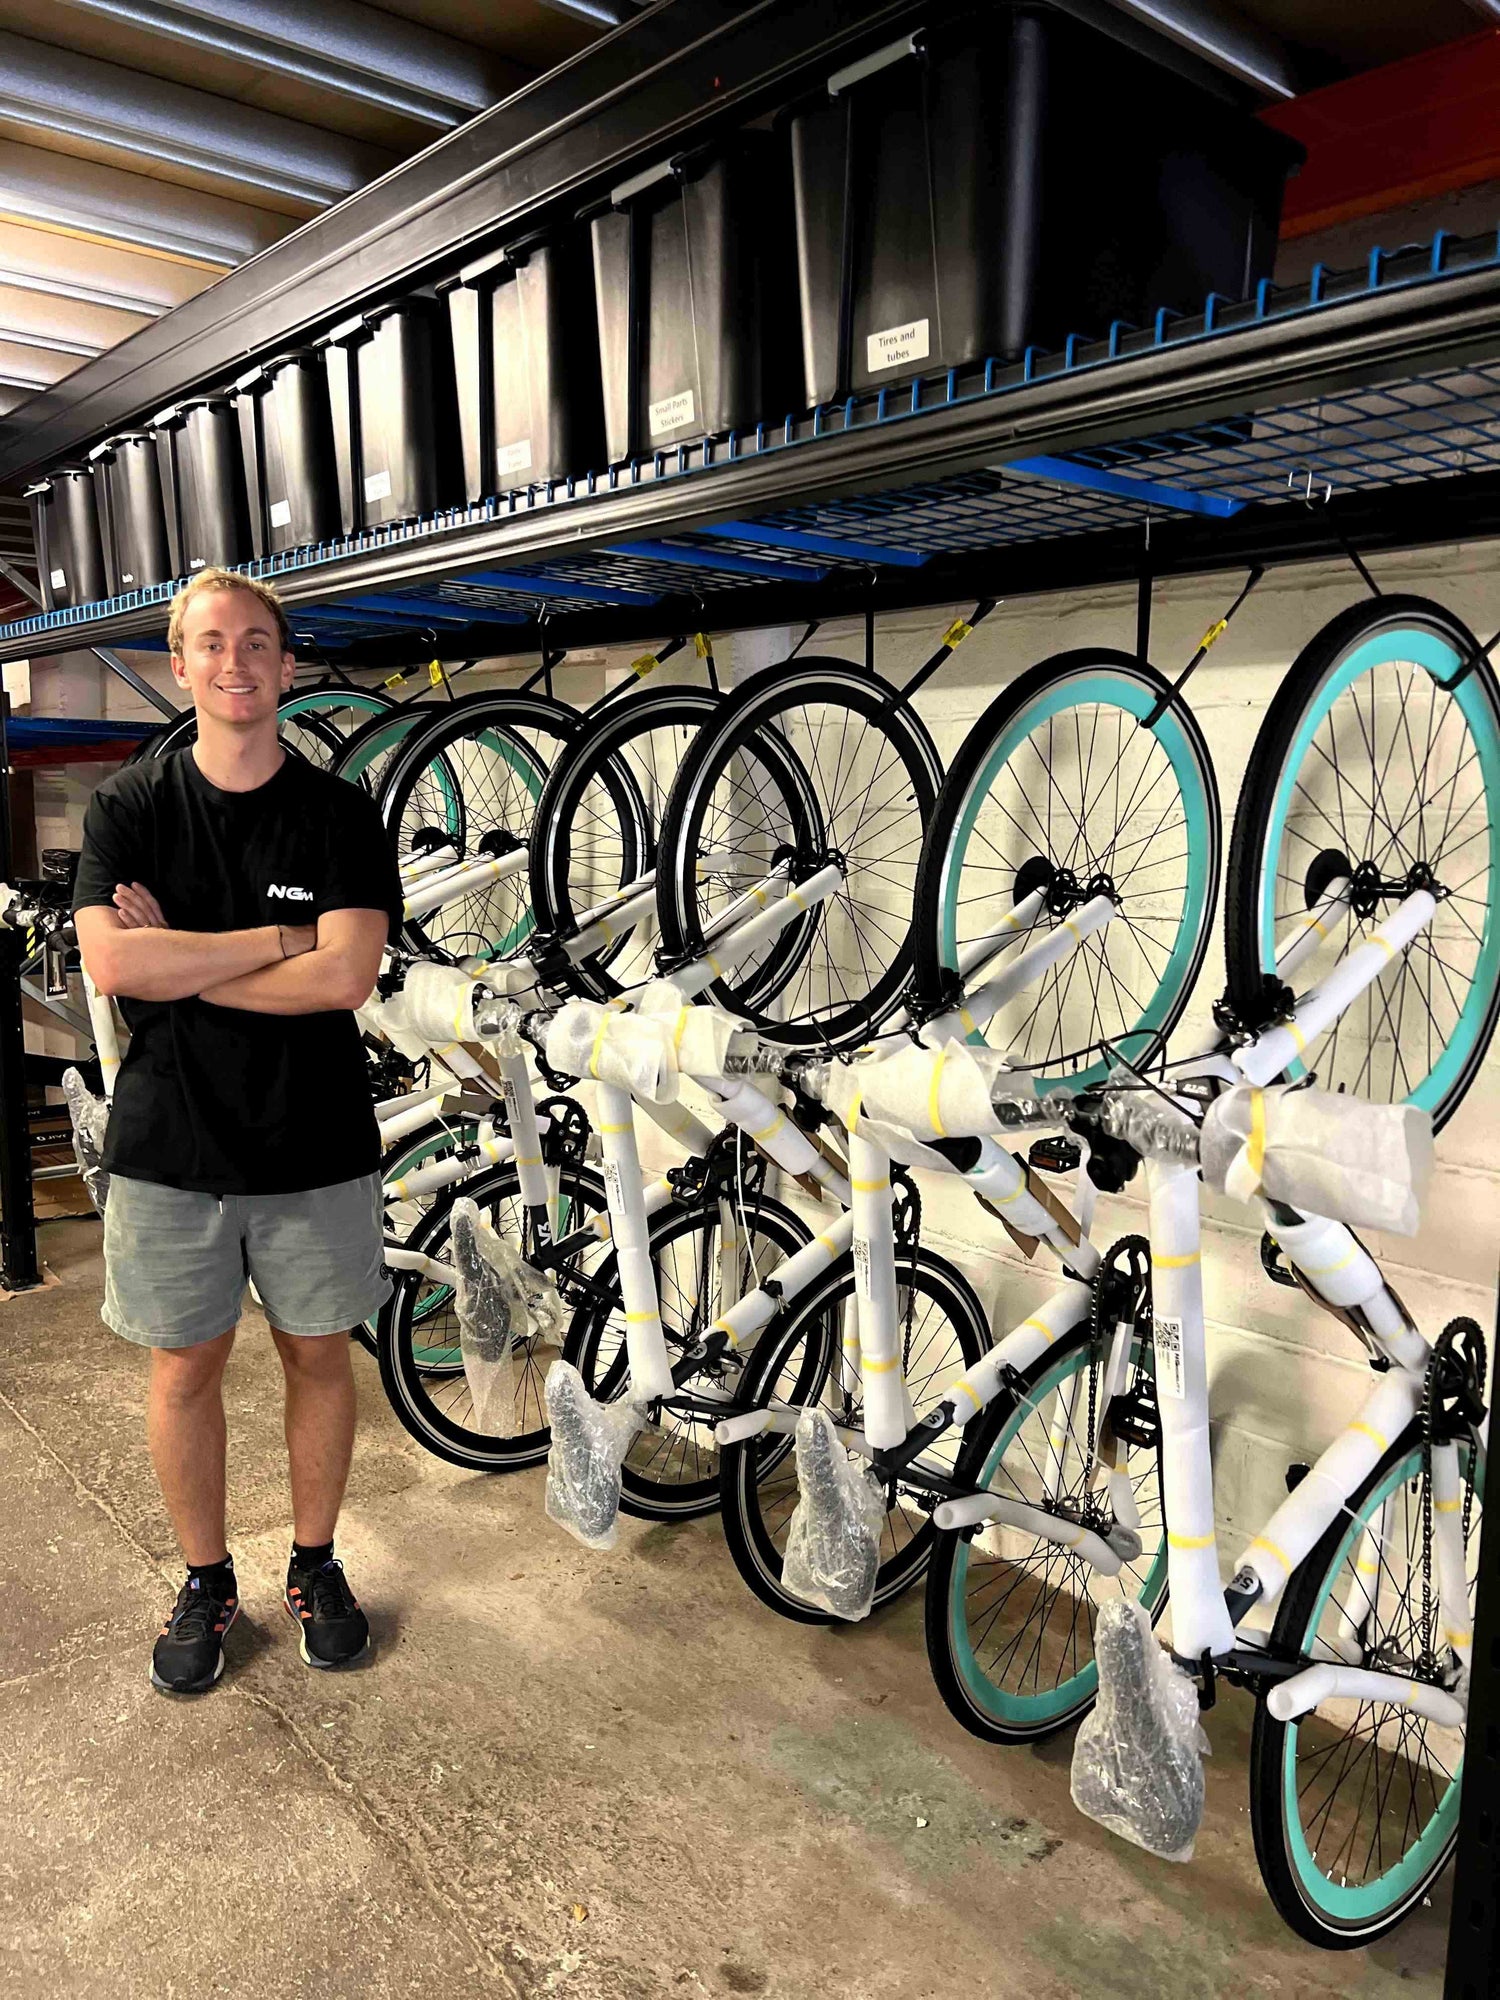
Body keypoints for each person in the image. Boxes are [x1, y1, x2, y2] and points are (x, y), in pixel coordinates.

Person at [72, 569, 402, 1695]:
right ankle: (206, 1577)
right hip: (173, 1149)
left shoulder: (341, 811)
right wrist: (274, 938)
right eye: (211, 643)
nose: (235, 661)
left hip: (314, 1144)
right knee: (185, 1366)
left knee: (318, 1353)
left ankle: (313, 1561)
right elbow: (114, 964)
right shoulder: (129, 808)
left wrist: (189, 967)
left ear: (286, 664)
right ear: (183, 666)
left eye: (257, 642)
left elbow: (346, 975)